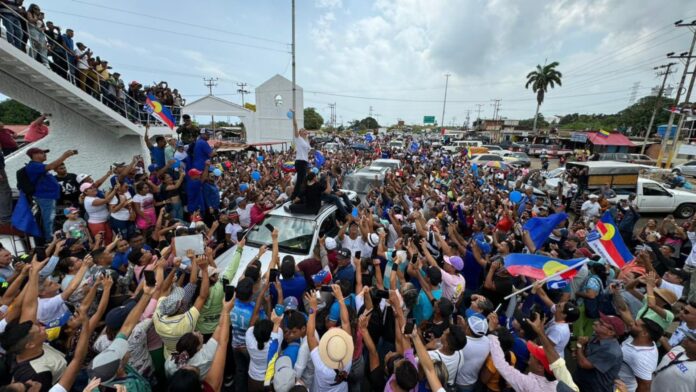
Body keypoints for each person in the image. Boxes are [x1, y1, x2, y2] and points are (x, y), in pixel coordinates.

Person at [24, 148, 77, 242]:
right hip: (45, 197)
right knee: (49, 218)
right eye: (42, 153)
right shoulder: (33, 166)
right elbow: (51, 166)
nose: (45, 154)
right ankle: (50, 239)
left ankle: (53, 237)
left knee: (51, 217)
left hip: (49, 197)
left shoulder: (38, 165)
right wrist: (65, 155)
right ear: (34, 155)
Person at [290, 111, 311, 200]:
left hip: (305, 162)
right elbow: (295, 125)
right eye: (303, 130)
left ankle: (300, 195)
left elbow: (308, 151)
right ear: (300, 132)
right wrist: (294, 115)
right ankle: (294, 197)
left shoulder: (306, 141)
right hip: (300, 161)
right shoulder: (298, 138)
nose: (305, 131)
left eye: (305, 130)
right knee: (300, 180)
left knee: (303, 180)